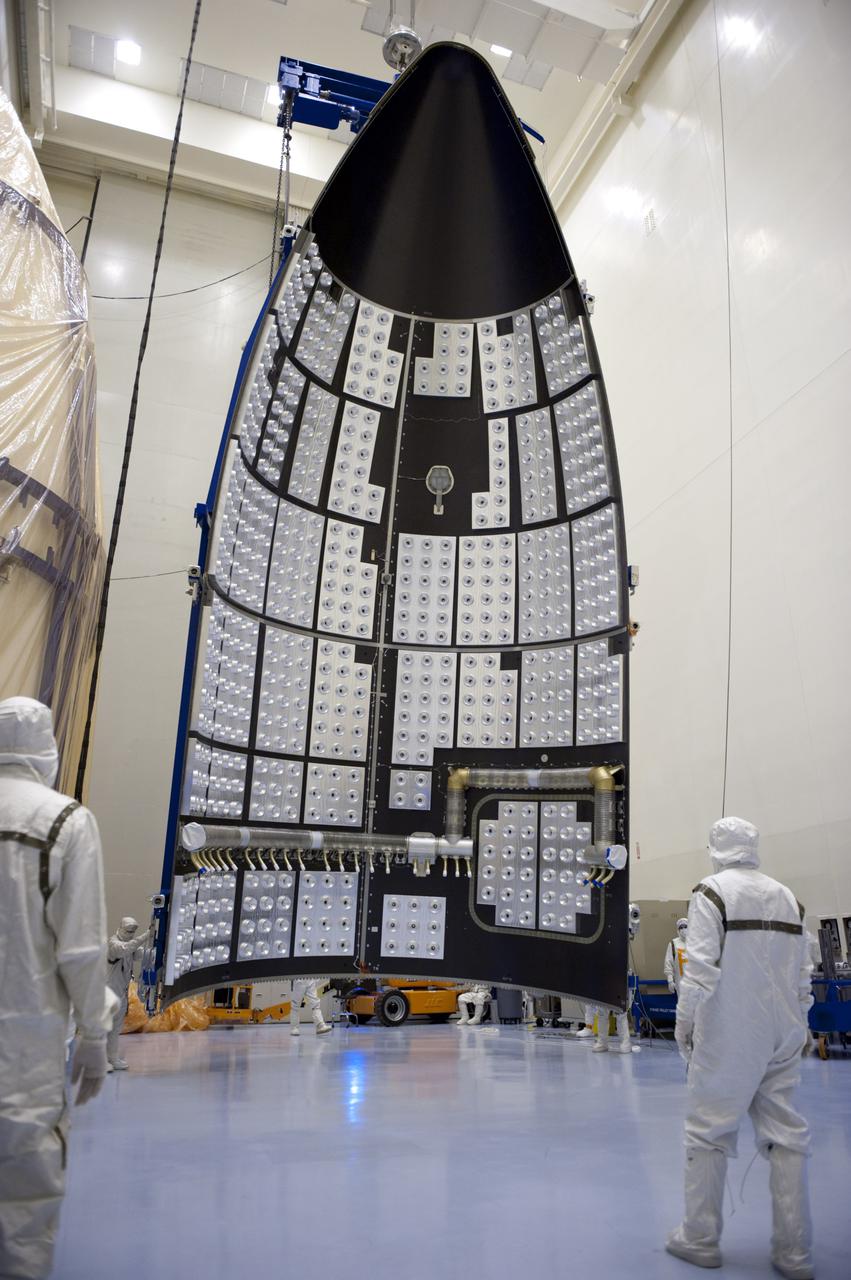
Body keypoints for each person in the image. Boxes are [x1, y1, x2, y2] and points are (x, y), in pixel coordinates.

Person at [666, 817, 813, 1278]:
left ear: (715, 847)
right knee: (787, 1134)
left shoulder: (711, 892)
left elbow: (702, 967)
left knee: (708, 1131)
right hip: (786, 1031)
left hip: (732, 1030)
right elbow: (804, 976)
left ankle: (700, 1237)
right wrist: (800, 1023)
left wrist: (685, 1022)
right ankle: (794, 1253)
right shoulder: (788, 897)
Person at [0, 697, 115, 1280]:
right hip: (24, 1051)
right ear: (46, 747)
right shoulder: (64, 822)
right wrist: (95, 1036)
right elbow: (81, 950)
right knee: (23, 1196)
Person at [106, 917, 152, 1070]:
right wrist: (146, 935)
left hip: (121, 993)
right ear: (120, 928)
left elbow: (143, 954)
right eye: (128, 931)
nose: (130, 934)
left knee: (115, 1029)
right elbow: (127, 948)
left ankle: (112, 1058)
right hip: (108, 994)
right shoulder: (114, 944)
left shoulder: (130, 947)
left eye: (133, 932)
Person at [665, 918, 689, 995]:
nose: (683, 929)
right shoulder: (673, 944)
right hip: (681, 983)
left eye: (685, 927)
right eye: (681, 927)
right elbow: (668, 963)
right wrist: (670, 980)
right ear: (678, 930)